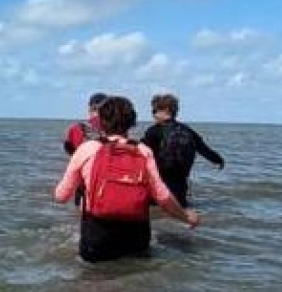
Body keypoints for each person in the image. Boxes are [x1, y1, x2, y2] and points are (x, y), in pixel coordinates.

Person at [54, 95, 200, 263]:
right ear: (132, 122)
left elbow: (61, 196)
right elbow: (162, 197)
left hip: (97, 236)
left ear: (100, 121)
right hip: (136, 237)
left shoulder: (87, 149)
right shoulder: (143, 151)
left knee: (92, 283)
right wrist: (187, 217)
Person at [142, 93, 224, 208]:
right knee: (177, 214)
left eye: (154, 111)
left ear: (166, 110)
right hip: (180, 186)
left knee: (157, 217)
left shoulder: (154, 131)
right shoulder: (188, 131)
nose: (153, 115)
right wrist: (218, 160)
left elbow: (140, 152)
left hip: (159, 185)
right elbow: (204, 149)